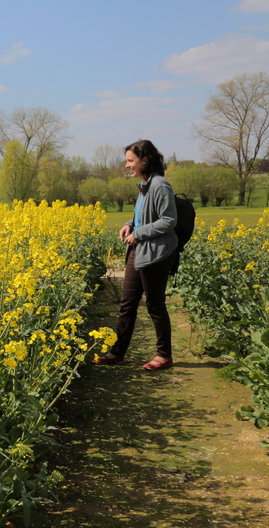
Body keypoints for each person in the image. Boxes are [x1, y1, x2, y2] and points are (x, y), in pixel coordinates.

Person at [96, 139, 178, 371]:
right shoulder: (144, 185)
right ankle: (117, 352)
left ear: (145, 160)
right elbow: (142, 216)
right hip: (138, 251)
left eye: (130, 161)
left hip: (156, 254)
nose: (127, 165)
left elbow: (169, 220)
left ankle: (164, 355)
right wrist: (129, 225)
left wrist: (140, 233)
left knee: (154, 304)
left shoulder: (160, 185)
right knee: (127, 304)